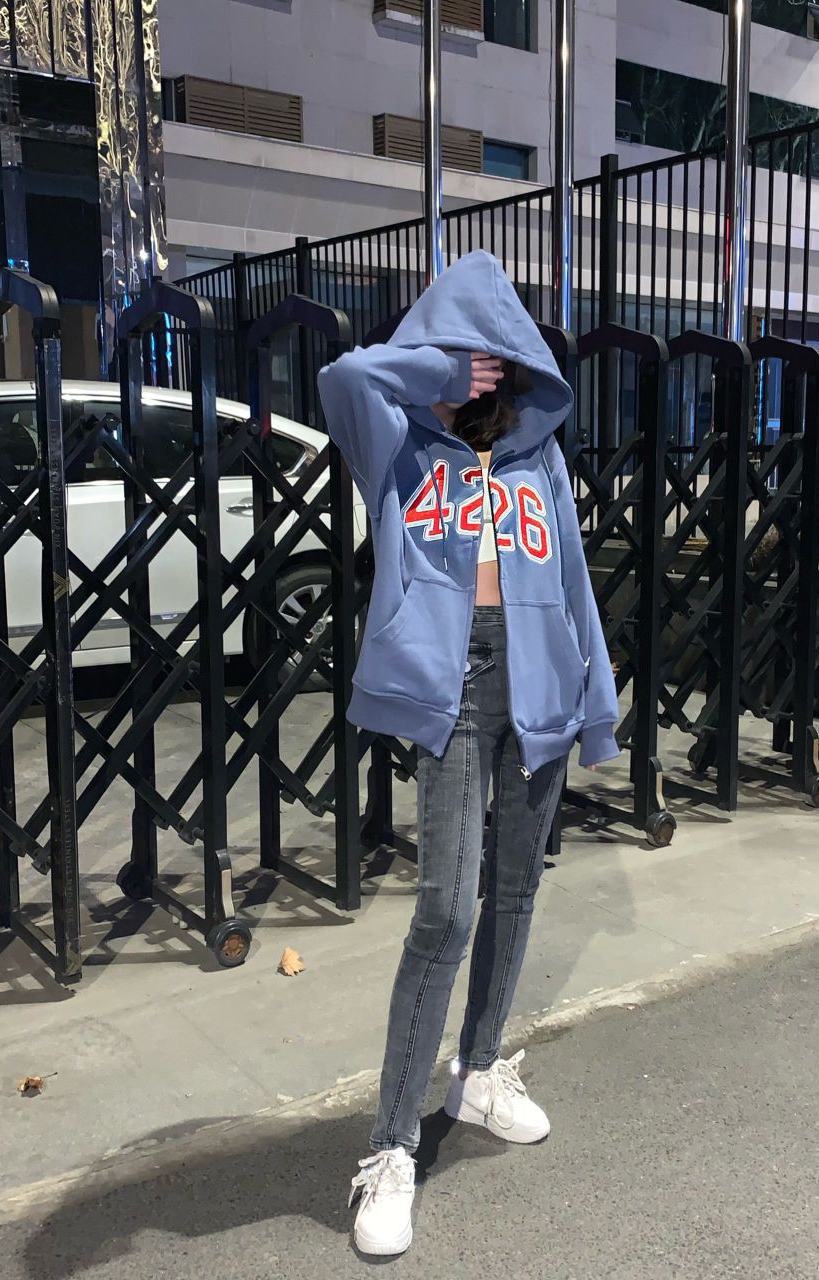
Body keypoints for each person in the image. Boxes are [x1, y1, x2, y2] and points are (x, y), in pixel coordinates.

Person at [317, 250, 621, 1257]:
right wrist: (437, 370)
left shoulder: (540, 457)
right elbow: (345, 377)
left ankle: (480, 1069)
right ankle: (391, 1144)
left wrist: (597, 707)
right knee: (447, 907)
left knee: (517, 890)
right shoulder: (399, 441)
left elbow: (572, 586)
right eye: (465, 353)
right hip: (450, 691)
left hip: (540, 686)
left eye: (492, 357)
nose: (482, 374)